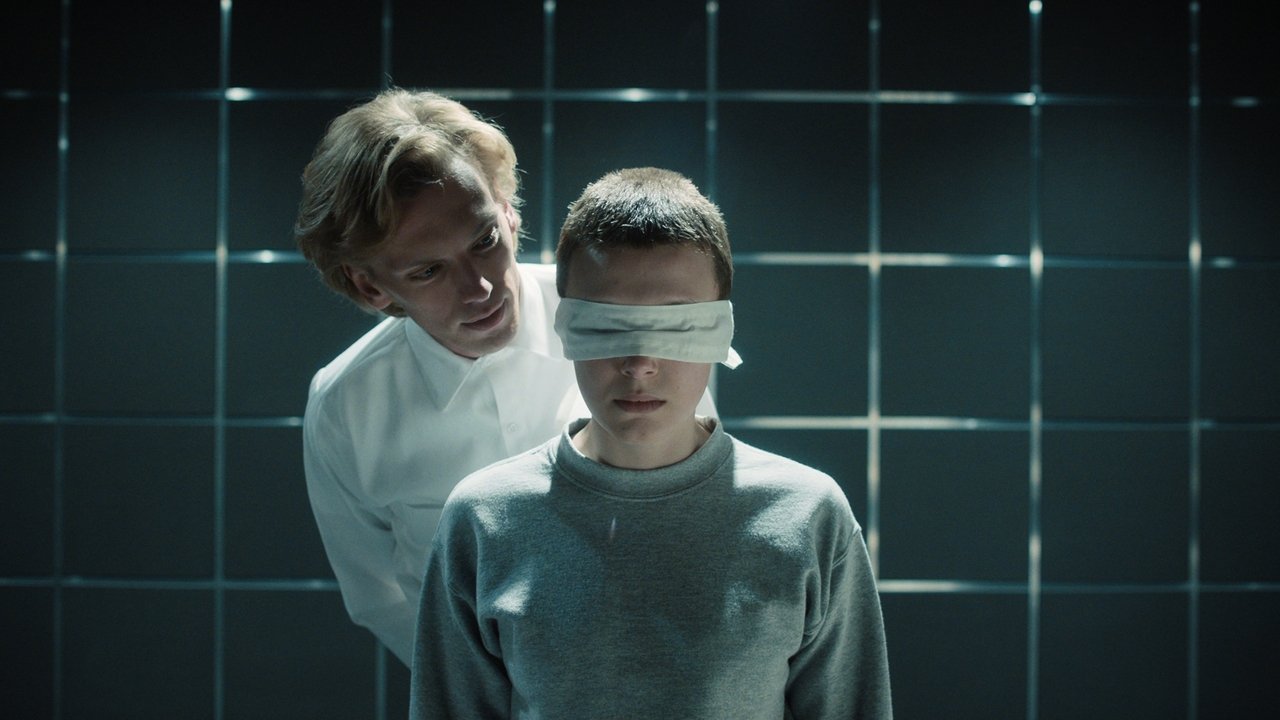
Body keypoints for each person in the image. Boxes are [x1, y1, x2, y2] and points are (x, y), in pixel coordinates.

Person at [410, 167, 892, 718]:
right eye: (607, 325)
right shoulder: (482, 519)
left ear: (722, 330)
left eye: (677, 326)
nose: (639, 363)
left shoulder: (808, 517)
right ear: (567, 326)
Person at [295, 89, 581, 666]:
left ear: (507, 208)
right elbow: (379, 598)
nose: (480, 288)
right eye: (429, 271)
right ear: (370, 286)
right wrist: (484, 693)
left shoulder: (616, 323)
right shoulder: (345, 408)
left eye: (484, 241)